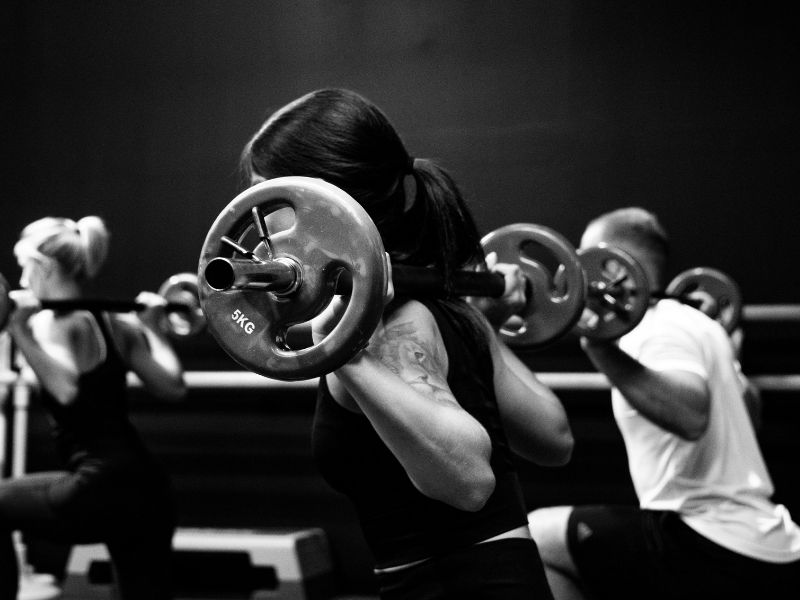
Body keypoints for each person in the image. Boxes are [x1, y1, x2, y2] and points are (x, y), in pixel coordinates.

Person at [241, 88, 574, 599]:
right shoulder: (455, 309)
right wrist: (485, 330)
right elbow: (552, 439)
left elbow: (469, 482)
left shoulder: (390, 329)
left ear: (327, 199)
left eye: (272, 200)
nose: (260, 231)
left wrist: (343, 351)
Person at [528, 207, 800, 600]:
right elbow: (751, 414)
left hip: (708, 537)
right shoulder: (698, 324)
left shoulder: (658, 327)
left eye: (585, 256)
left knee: (537, 536)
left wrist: (597, 345)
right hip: (764, 539)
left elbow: (690, 417)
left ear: (614, 265)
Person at [0, 216, 186, 600]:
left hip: (97, 486)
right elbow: (173, 386)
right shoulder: (117, 321)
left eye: (24, 266)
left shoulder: (51, 323)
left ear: (44, 266)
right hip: (148, 490)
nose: (21, 279)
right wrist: (152, 327)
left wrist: (19, 330)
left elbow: (65, 389)